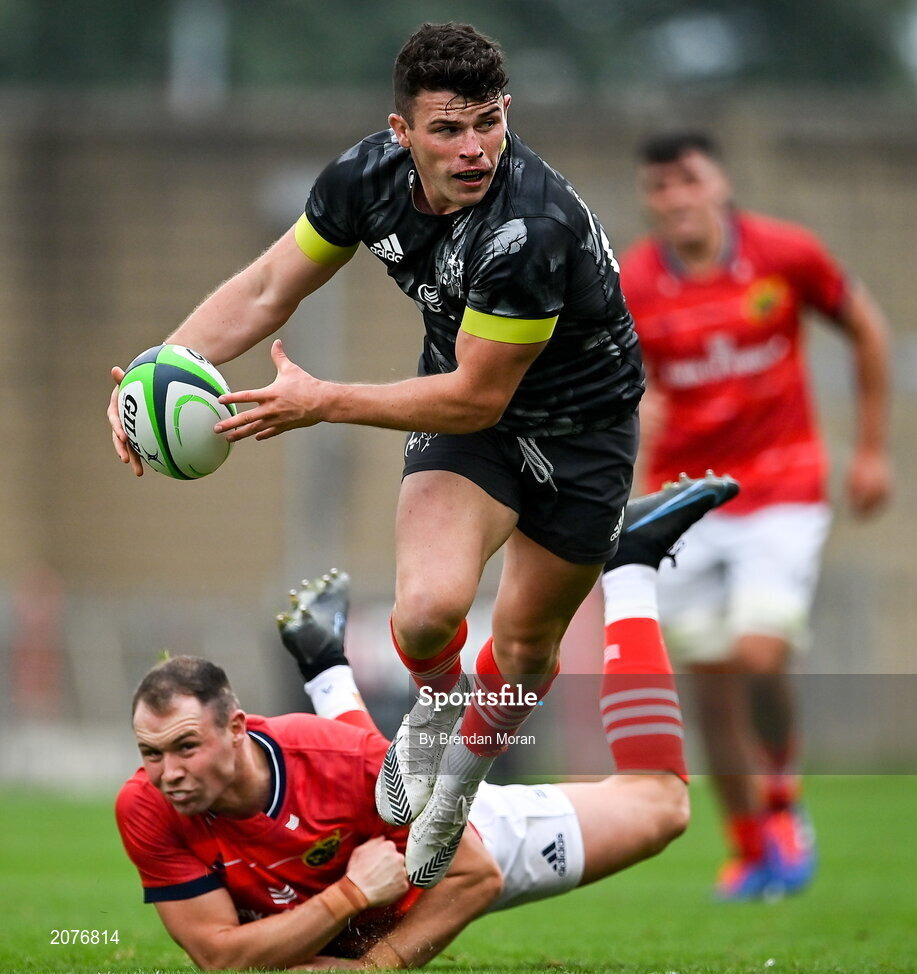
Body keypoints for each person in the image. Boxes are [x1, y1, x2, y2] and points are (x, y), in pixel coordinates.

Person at [108, 22, 645, 887]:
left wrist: (322, 402)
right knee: (426, 613)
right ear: (401, 132)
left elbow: (477, 394)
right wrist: (153, 374)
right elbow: (266, 288)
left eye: (488, 123)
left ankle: (460, 783)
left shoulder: (528, 227)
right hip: (474, 422)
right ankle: (435, 710)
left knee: (523, 647)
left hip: (579, 433)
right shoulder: (366, 178)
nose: (473, 149)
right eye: (447, 129)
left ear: (506, 112)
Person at [115, 474, 738, 971]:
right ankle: (327, 669)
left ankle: (628, 569)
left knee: (662, 805)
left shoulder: (327, 758)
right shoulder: (146, 805)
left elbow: (474, 876)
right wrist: (351, 896)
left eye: (186, 746)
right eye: (151, 753)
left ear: (236, 729)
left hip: (467, 842)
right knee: (378, 782)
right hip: (382, 809)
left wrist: (371, 967)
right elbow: (221, 959)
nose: (169, 773)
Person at [607, 131, 892, 900]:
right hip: (681, 499)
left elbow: (867, 329)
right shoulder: (633, 281)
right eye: (659, 185)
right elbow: (605, 377)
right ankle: (747, 847)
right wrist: (631, 403)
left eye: (687, 179)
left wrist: (871, 450)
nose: (675, 197)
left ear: (719, 183)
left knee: (758, 656)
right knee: (709, 682)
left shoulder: (784, 255)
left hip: (779, 487)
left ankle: (782, 800)